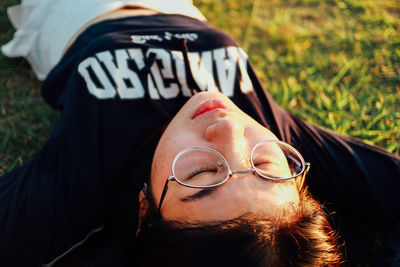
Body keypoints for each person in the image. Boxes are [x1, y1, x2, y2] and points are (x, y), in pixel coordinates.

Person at [1, 0, 399, 266]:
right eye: (265, 166)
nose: (228, 129)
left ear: (146, 210)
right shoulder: (281, 140)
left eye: (201, 174)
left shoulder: (84, 176)